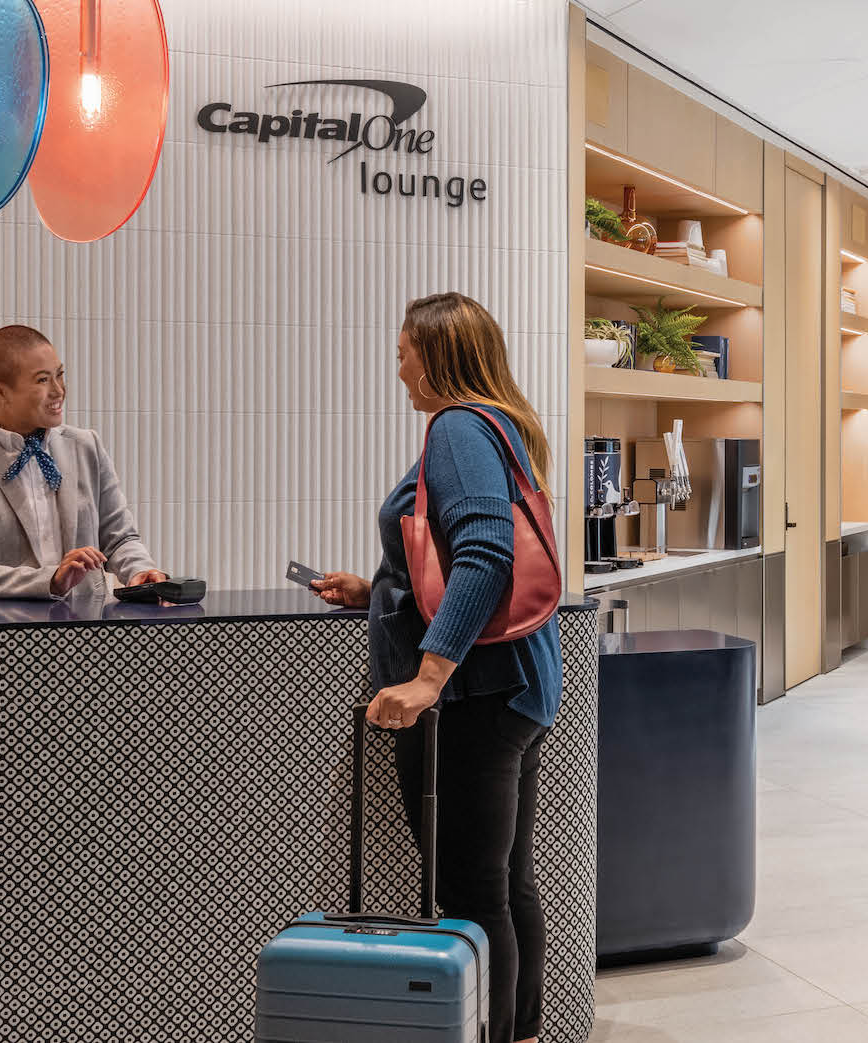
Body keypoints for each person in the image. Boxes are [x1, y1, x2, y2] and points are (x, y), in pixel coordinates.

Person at [310, 293, 560, 1043]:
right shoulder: (499, 425)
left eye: (403, 353)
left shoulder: (455, 426)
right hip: (515, 685)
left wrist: (427, 677)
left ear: (436, 354)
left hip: (474, 693)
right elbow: (452, 559)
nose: (398, 369)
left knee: (470, 890)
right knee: (503, 881)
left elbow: (486, 554)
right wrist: (379, 588)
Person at [0, 325, 171, 600]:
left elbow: (119, 537)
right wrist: (51, 580)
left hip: (84, 632)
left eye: (60, 375)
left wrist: (140, 570)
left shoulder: (86, 445)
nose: (58, 391)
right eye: (42, 380)